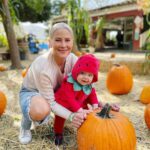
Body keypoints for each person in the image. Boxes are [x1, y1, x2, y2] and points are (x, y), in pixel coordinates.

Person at [18, 22, 92, 145]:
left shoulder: (74, 59)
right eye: (58, 40)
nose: (63, 45)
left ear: (72, 42)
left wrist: (98, 104)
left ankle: (43, 114)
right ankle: (25, 125)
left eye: (67, 40)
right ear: (50, 42)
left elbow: (86, 85)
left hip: (54, 91)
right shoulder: (43, 65)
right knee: (41, 110)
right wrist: (72, 116)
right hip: (32, 92)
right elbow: (51, 103)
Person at [54, 54, 100, 145]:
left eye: (89, 75)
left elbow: (92, 95)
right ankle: (58, 133)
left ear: (93, 77)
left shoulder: (89, 85)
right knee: (60, 119)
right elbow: (69, 98)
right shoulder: (69, 82)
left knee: (88, 115)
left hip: (79, 103)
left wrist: (95, 105)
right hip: (63, 104)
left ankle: (85, 132)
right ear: (76, 71)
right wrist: (80, 110)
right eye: (82, 73)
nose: (85, 77)